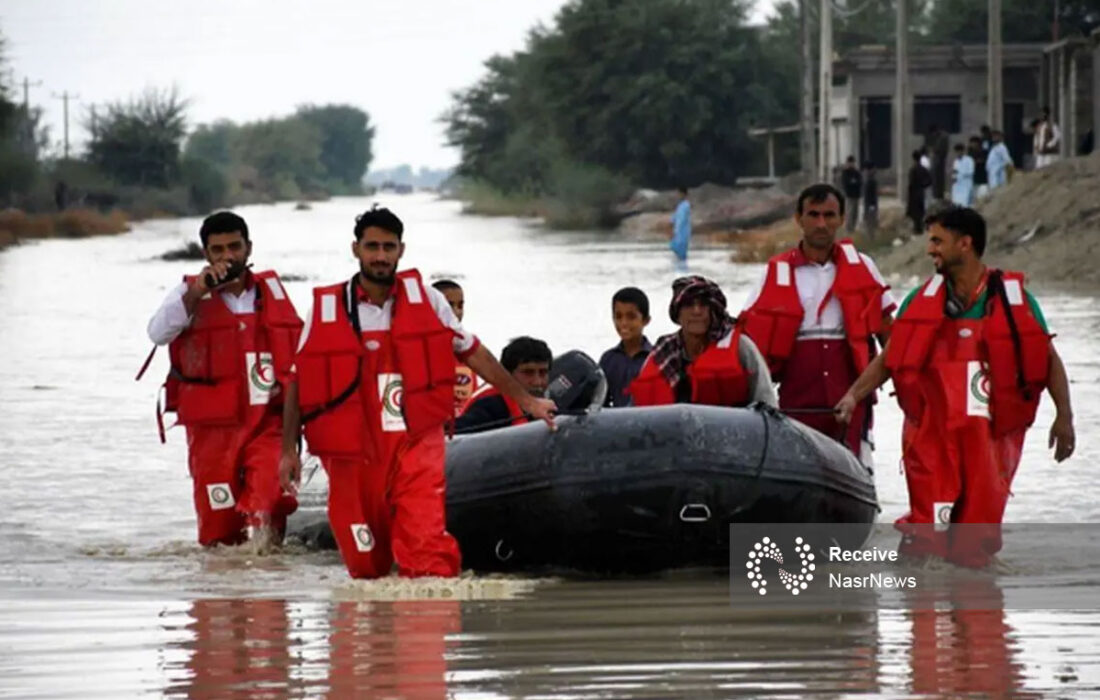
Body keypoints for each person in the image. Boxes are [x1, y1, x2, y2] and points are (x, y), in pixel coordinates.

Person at [280, 206, 556, 579]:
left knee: (427, 552)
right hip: (353, 453)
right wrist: (287, 451)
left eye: (388, 247)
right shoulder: (327, 309)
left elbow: (475, 353)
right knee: (366, 566)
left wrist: (528, 402)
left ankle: (428, 627)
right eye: (372, 246)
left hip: (415, 440)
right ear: (356, 249)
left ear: (401, 250)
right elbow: (298, 380)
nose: (380, 256)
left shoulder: (430, 301)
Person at [835, 206, 1075, 568]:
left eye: (937, 241)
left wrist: (1065, 418)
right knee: (924, 536)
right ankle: (916, 605)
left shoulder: (1014, 301)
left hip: (989, 441)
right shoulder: (921, 299)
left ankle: (976, 613)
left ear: (965, 244)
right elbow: (890, 358)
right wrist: (854, 395)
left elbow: (1049, 358)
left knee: (973, 545)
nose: (930, 249)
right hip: (932, 437)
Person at [142, 211, 303, 547]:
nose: (227, 256)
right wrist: (196, 292)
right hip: (212, 432)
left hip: (267, 424)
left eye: (234, 247)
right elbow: (157, 334)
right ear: (206, 254)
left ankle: (270, 588)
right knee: (218, 530)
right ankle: (222, 594)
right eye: (218, 250)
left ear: (248, 248)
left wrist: (294, 442)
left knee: (270, 502)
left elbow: (299, 361)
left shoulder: (271, 292)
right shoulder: (187, 294)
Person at [740, 183, 894, 463]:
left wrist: (862, 393)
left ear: (841, 219)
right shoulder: (774, 272)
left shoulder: (865, 266)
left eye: (829, 215)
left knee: (859, 475)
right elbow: (745, 345)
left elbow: (893, 342)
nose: (821, 224)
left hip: (851, 401)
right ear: (798, 219)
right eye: (813, 215)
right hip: (796, 405)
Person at [630, 276, 776, 408]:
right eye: (688, 305)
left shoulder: (741, 347)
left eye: (703, 305)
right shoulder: (661, 352)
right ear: (677, 314)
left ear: (713, 311)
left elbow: (767, 404)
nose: (696, 311)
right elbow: (636, 412)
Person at [455, 336, 553, 434]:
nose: (537, 382)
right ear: (507, 375)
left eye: (543, 373)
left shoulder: (554, 404)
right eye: (528, 372)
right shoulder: (489, 406)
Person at [599, 287, 653, 407]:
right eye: (618, 316)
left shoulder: (656, 359)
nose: (624, 323)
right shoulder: (608, 359)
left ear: (646, 320)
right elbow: (601, 401)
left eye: (631, 317)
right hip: (616, 423)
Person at [431, 279, 477, 415]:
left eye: (460, 306)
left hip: (466, 428)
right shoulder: (417, 348)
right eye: (449, 306)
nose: (457, 312)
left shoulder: (469, 350)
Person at [907, 149, 933, 233]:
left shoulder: (912, 169)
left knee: (915, 211)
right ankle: (920, 228)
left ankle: (917, 228)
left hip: (914, 192)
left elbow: (911, 183)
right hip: (921, 192)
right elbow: (930, 180)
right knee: (921, 211)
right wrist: (923, 185)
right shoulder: (923, 169)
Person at [926, 124, 950, 201]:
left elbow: (940, 149)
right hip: (938, 159)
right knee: (936, 179)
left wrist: (933, 150)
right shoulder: (941, 136)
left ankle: (938, 195)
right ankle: (937, 195)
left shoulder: (943, 137)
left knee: (938, 179)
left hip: (939, 160)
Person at [668, 186, 692, 261]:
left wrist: (675, 231)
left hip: (683, 232)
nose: (678, 196)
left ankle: (683, 269)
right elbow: (675, 217)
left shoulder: (686, 205)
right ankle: (679, 268)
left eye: (679, 194)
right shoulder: (680, 205)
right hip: (677, 232)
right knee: (675, 249)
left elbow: (682, 219)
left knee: (681, 254)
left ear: (684, 194)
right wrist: (671, 223)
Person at [840, 156, 863, 233]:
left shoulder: (856, 172)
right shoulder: (845, 172)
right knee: (850, 212)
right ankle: (848, 228)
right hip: (849, 195)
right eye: (850, 163)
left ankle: (853, 227)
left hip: (856, 195)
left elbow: (860, 182)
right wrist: (853, 182)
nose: (851, 164)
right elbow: (846, 183)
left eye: (852, 163)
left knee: (855, 213)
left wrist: (854, 182)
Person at [862, 161, 879, 240]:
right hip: (870, 205)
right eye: (874, 168)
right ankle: (870, 237)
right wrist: (871, 205)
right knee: (870, 221)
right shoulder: (870, 180)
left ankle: (870, 236)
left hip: (870, 204)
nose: (875, 170)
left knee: (871, 220)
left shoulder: (869, 179)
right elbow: (869, 195)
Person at [969, 136, 989, 200]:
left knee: (983, 194)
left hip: (982, 175)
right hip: (974, 176)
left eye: (974, 143)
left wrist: (978, 161)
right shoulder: (970, 153)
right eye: (972, 143)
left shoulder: (983, 151)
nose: (973, 145)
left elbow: (985, 161)